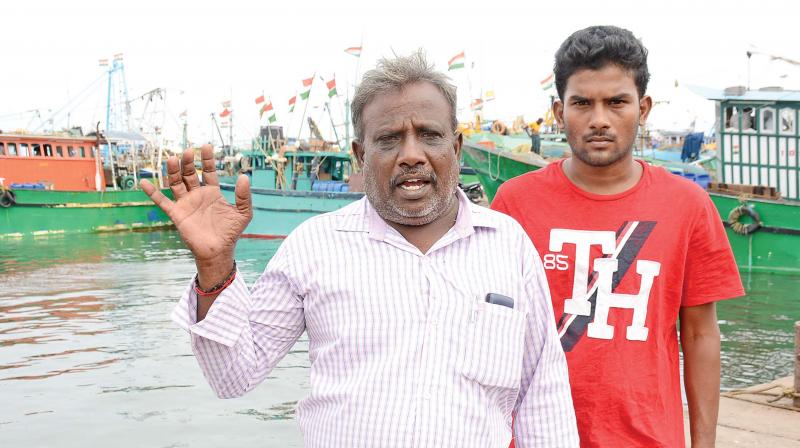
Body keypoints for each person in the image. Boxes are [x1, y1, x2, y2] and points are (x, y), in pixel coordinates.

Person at [141, 51, 578, 448]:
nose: (412, 154)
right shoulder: (314, 246)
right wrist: (215, 267)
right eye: (388, 139)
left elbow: (544, 399)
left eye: (429, 135)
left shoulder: (508, 245)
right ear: (359, 155)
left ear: (456, 148)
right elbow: (233, 377)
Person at [492, 26, 743, 448]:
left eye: (617, 102)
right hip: (534, 437)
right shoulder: (515, 203)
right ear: (558, 111)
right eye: (582, 103)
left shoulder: (688, 206)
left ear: (643, 108)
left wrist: (704, 444)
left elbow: (700, 335)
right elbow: (490, 330)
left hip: (648, 438)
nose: (599, 120)